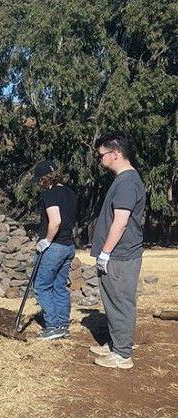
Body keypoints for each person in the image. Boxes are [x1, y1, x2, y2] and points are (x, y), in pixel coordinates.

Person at [88, 133, 146, 369]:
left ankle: (122, 354)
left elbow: (120, 221)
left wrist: (105, 253)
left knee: (120, 302)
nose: (100, 159)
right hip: (117, 254)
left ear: (116, 153)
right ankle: (115, 343)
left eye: (102, 155)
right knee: (112, 301)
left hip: (119, 255)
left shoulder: (127, 182)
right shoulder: (123, 180)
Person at [32, 160, 78, 340]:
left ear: (44, 178)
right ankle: (62, 325)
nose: (39, 184)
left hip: (55, 246)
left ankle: (52, 326)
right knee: (60, 286)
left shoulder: (50, 194)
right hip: (68, 245)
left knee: (41, 287)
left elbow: (56, 220)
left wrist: (46, 241)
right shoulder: (70, 193)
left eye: (39, 180)